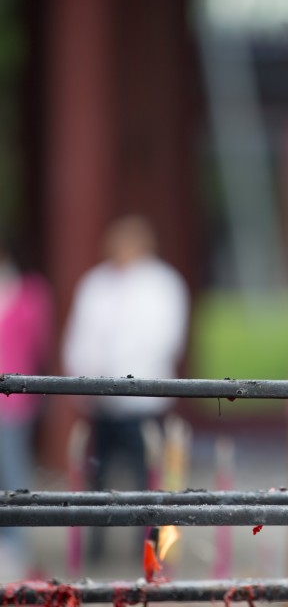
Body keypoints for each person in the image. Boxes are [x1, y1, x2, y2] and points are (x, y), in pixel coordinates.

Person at [62, 215, 189, 559]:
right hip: (102, 400)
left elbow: (165, 337)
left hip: (143, 400)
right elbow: (81, 336)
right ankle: (96, 547)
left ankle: (145, 546)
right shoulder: (96, 283)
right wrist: (87, 375)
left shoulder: (163, 284)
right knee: (97, 477)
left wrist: (126, 372)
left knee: (146, 475)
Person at [0, 233, 53, 576]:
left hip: (15, 401)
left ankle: (16, 548)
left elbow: (40, 344)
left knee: (13, 471)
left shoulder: (31, 291)